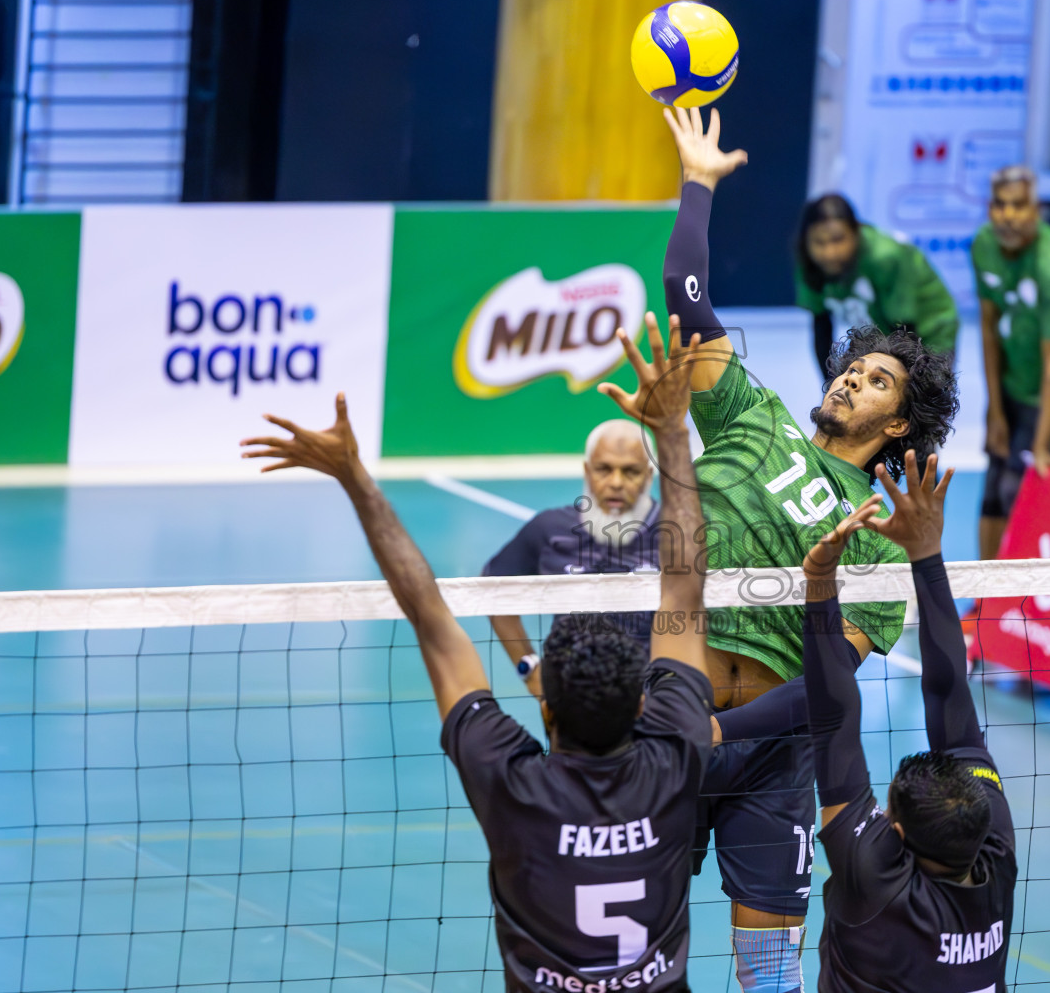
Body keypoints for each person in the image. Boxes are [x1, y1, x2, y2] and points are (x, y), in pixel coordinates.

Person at [240, 315, 714, 993]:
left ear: (546, 709)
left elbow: (431, 617)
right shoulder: (677, 757)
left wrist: (354, 479)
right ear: (645, 703)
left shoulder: (512, 784)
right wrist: (673, 430)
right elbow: (687, 589)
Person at [661, 105, 960, 993]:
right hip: (672, 720)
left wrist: (723, 729)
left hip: (771, 757)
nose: (850, 377)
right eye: (852, 366)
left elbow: (828, 686)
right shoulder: (749, 414)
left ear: (898, 424)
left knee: (771, 981)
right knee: (634, 952)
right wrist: (698, 188)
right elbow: (687, 302)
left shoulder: (879, 540)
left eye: (875, 381)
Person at [799, 450, 1017, 993]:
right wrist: (925, 550)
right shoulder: (992, 860)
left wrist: (821, 581)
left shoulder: (876, 879)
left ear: (895, 833)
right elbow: (948, 705)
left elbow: (833, 722)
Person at [485, 418, 661, 696]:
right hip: (570, 704)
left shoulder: (675, 533)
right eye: (604, 469)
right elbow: (491, 590)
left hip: (653, 703)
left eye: (630, 471)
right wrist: (530, 668)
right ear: (587, 470)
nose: (616, 482)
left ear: (649, 474)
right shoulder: (550, 528)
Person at [970, 164, 1050, 561]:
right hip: (1011, 376)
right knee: (992, 488)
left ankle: (1013, 604)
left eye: (1019, 206)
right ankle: (983, 598)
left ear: (1036, 209)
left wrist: (1041, 446)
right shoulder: (983, 246)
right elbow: (988, 329)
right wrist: (995, 411)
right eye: (1000, 205)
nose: (1009, 215)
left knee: (1018, 489)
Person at [795, 193, 959, 379]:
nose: (829, 253)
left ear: (856, 232)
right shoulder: (811, 264)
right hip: (875, 328)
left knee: (921, 393)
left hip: (926, 327)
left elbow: (904, 331)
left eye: (837, 239)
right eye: (819, 242)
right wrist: (829, 388)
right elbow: (821, 327)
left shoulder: (885, 258)